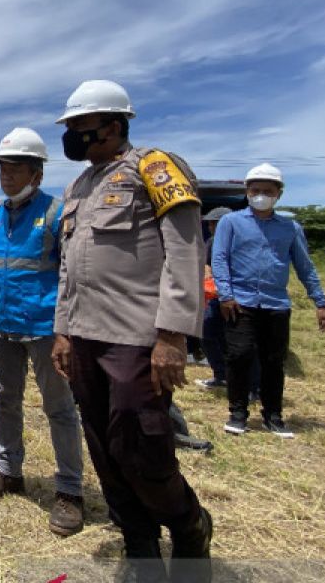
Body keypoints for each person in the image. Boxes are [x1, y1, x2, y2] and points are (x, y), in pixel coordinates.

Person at [48, 80, 212, 583]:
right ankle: (140, 546)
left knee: (141, 449)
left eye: (80, 126)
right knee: (104, 449)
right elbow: (68, 267)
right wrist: (62, 330)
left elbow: (185, 249)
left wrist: (173, 335)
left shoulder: (154, 167)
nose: (72, 136)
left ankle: (189, 526)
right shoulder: (77, 188)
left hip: (138, 339)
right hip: (84, 339)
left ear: (113, 125)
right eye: (70, 127)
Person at [0, 127, 85, 537]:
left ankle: (70, 490)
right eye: (3, 168)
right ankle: (8, 469)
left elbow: (70, 275)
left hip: (44, 329)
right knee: (5, 400)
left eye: (15, 168)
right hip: (2, 326)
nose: (6, 175)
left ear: (36, 172)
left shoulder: (56, 214)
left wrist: (64, 331)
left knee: (59, 408)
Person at [212, 164, 325, 439]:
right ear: (247, 192)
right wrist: (225, 295)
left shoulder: (290, 227)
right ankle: (238, 413)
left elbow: (304, 265)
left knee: (273, 361)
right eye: (256, 190)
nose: (261, 195)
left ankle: (273, 415)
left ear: (279, 193)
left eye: (268, 191)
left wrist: (320, 302)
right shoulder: (231, 223)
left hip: (275, 303)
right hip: (239, 301)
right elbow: (220, 259)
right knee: (239, 356)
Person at [195, 207, 260, 395]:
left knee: (244, 344)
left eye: (214, 222)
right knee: (207, 332)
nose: (211, 226)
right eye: (210, 223)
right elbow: (206, 264)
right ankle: (221, 375)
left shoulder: (244, 242)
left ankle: (254, 386)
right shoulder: (211, 242)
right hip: (217, 297)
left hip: (240, 298)